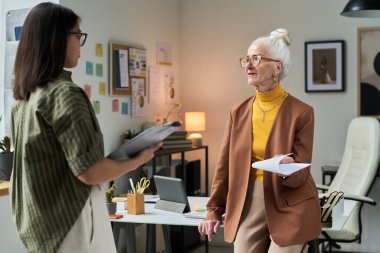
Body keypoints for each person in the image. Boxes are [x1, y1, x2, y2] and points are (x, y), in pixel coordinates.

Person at [10, 3, 161, 253]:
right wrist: (138, 160)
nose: (81, 44)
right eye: (77, 35)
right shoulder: (65, 94)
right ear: (57, 38)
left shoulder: (24, 100)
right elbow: (90, 172)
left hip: (40, 223)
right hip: (71, 219)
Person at [198, 28, 321, 253]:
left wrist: (287, 167)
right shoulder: (239, 111)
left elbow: (302, 172)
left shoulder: (302, 112)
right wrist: (213, 210)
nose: (248, 65)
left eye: (256, 58)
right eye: (246, 59)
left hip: (289, 202)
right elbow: (224, 166)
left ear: (277, 66)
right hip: (249, 201)